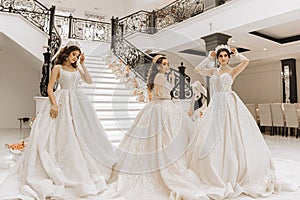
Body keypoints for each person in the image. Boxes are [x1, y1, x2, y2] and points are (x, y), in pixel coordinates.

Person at [0, 42, 118, 200]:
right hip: (62, 100)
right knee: (62, 134)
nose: (75, 57)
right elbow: (50, 88)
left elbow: (89, 81)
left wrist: (83, 64)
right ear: (67, 54)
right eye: (74, 55)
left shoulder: (77, 68)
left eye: (78, 55)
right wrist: (54, 104)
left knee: (83, 133)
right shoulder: (58, 68)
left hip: (78, 102)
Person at [102, 55, 208, 200]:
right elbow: (157, 94)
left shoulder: (162, 76)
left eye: (167, 63)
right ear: (158, 66)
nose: (166, 66)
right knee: (164, 137)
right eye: (164, 64)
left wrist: (170, 97)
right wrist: (170, 98)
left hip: (163, 106)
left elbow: (158, 92)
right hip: (161, 107)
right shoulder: (160, 77)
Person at [187, 44, 277, 199]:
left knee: (233, 132)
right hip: (216, 103)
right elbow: (197, 70)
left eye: (225, 56)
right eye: (220, 56)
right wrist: (209, 57)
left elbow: (246, 62)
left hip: (229, 101)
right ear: (218, 57)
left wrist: (238, 55)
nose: (223, 58)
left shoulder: (232, 70)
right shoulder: (214, 70)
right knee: (213, 133)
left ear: (228, 57)